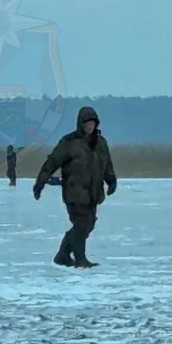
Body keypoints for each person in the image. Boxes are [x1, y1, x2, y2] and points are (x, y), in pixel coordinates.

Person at [33, 106, 117, 268]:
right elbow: (51, 163)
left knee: (89, 223)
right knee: (82, 224)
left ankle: (63, 254)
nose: (90, 126)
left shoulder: (101, 143)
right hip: (74, 192)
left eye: (92, 123)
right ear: (80, 123)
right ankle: (80, 259)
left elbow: (106, 164)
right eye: (87, 123)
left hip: (93, 192)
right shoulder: (69, 142)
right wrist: (40, 183)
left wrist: (111, 180)